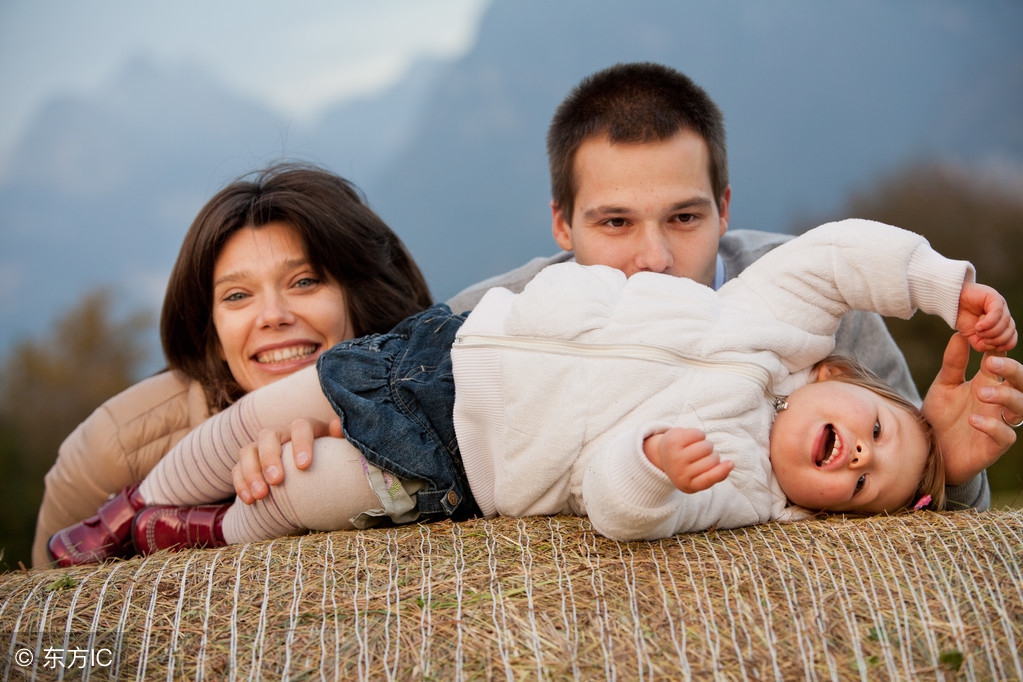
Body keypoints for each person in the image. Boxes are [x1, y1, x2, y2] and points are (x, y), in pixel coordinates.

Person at [235, 62, 1020, 514]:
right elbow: (379, 385)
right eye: (614, 223)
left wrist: (953, 471)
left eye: (683, 217)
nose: (652, 257)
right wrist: (292, 434)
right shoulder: (501, 311)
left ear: (724, 209)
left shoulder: (830, 317)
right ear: (560, 226)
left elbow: (903, 497)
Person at [47, 219, 1016, 564]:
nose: (860, 456)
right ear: (839, 377)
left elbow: (614, 503)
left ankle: (192, 541)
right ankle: (141, 507)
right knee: (269, 415)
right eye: (875, 433)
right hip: (457, 352)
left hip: (463, 468)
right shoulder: (772, 325)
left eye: (867, 483)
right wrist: (946, 287)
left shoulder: (740, 492)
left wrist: (649, 468)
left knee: (300, 495)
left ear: (833, 513)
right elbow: (845, 256)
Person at [33, 162, 432, 567]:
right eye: (237, 296)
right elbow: (41, 608)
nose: (272, 315)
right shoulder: (114, 447)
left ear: (359, 300)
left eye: (304, 281)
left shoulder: (430, 388)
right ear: (214, 336)